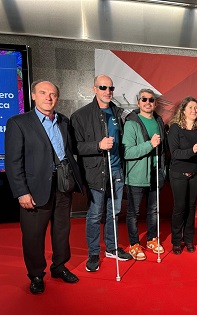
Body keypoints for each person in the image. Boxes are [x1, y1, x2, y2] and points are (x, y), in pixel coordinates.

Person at [5, 80, 83, 294]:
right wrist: (21, 192)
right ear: (33, 95)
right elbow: (13, 162)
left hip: (63, 186)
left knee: (61, 232)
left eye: (53, 94)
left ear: (57, 98)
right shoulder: (18, 122)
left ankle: (59, 266)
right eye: (43, 93)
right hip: (34, 189)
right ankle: (36, 274)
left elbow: (70, 151)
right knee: (33, 236)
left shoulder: (63, 121)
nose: (48, 97)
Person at [70, 74, 132, 272]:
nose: (108, 91)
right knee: (95, 215)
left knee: (113, 214)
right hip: (95, 173)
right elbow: (75, 147)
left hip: (116, 171)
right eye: (103, 87)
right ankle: (94, 253)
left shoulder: (118, 113)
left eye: (111, 88)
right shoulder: (80, 116)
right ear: (94, 89)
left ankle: (112, 248)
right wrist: (98, 145)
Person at [122, 89, 166, 260]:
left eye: (151, 99)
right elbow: (127, 152)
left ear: (155, 103)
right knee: (134, 212)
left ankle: (151, 239)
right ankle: (134, 243)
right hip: (137, 175)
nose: (148, 102)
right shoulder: (131, 123)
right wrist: (149, 144)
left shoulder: (159, 121)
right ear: (138, 102)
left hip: (156, 172)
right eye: (144, 99)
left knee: (153, 210)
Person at [168, 96, 197, 254]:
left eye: (196, 108)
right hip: (178, 174)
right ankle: (176, 241)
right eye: (190, 107)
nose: (194, 110)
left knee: (191, 208)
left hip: (196, 174)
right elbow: (175, 153)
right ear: (183, 110)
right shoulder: (175, 128)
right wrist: (192, 150)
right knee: (179, 208)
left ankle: (188, 239)